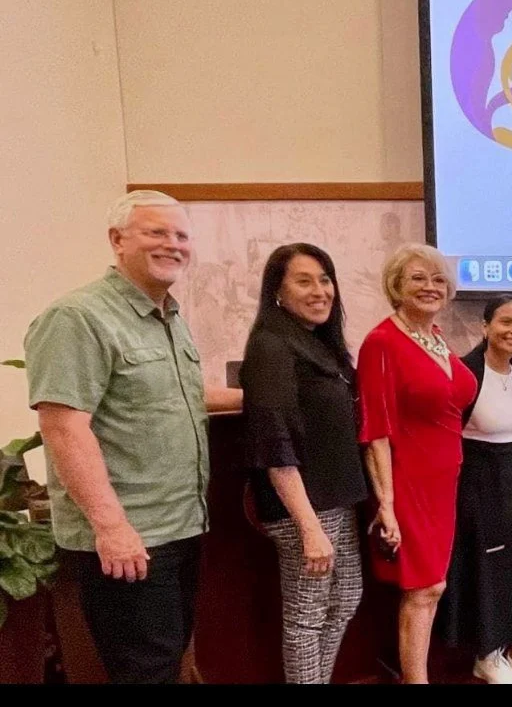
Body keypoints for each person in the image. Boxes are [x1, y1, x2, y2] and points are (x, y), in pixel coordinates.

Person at [24, 190, 241, 684]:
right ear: (117, 240)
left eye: (181, 236)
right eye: (156, 232)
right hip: (130, 536)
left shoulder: (168, 315)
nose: (173, 244)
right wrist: (112, 527)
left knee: (163, 662)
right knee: (144, 671)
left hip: (180, 525)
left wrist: (263, 396)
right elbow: (63, 424)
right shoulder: (78, 317)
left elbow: (181, 395)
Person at [240, 243, 369, 683]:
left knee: (346, 596)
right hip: (304, 507)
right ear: (278, 291)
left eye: (325, 279)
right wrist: (308, 526)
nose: (319, 291)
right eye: (304, 280)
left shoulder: (317, 344)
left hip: (336, 499)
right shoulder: (271, 345)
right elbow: (274, 442)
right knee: (307, 614)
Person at [357, 244, 478, 684]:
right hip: (407, 483)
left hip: (443, 483)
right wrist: (386, 504)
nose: (431, 287)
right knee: (423, 589)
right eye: (418, 278)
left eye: (438, 279)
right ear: (396, 286)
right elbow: (375, 431)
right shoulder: (382, 342)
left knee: (433, 587)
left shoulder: (436, 337)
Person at [437, 295, 512, 684]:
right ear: (485, 326)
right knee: (489, 568)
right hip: (475, 480)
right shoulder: (466, 372)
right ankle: (487, 656)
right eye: (505, 322)